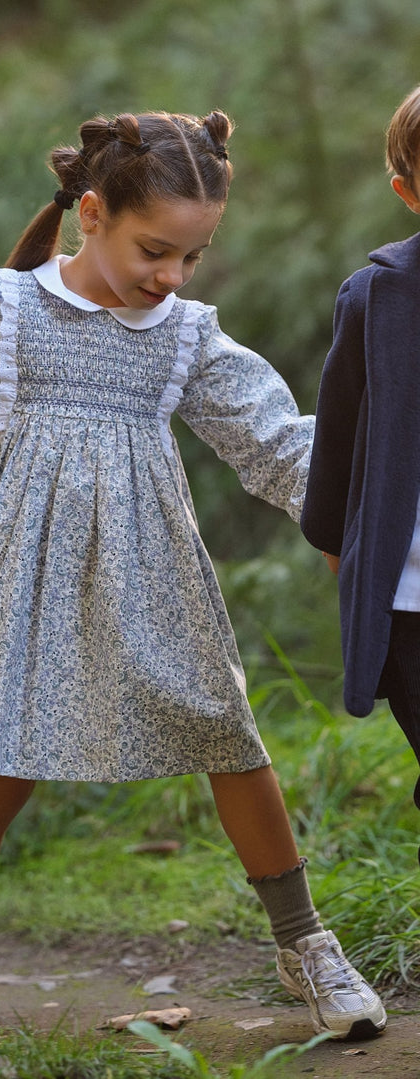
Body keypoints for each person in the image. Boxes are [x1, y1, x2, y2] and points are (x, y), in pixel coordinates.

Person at [0, 109, 386, 1040]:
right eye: (153, 251)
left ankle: (306, 943)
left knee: (230, 733)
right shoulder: (1, 311)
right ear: (92, 212)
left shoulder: (184, 337)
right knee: (4, 767)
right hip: (18, 573)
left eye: (190, 260)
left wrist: (356, 510)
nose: (169, 277)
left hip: (148, 572)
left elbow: (278, 439)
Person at [302, 86, 420, 853]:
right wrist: (348, 556)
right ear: (407, 192)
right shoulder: (378, 298)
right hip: (414, 597)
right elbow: (337, 446)